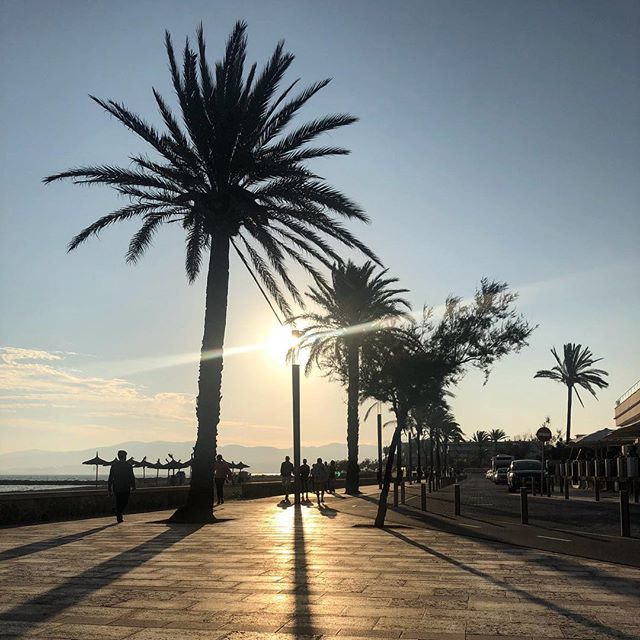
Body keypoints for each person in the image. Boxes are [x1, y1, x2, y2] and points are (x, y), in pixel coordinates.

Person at [107, 450, 136, 523]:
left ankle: (117, 511)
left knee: (123, 502)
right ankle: (119, 516)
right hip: (120, 486)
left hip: (122, 486)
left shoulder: (127, 465)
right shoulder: (116, 466)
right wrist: (109, 488)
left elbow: (131, 476)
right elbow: (111, 477)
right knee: (121, 501)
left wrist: (133, 485)